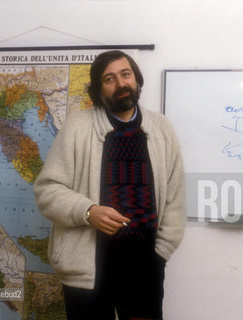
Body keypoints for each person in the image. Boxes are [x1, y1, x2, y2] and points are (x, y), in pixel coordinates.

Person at [33, 50, 185, 320]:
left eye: (126, 74)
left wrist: (160, 254)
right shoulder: (76, 127)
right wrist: (88, 211)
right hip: (88, 268)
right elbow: (47, 190)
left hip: (145, 266)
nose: (121, 84)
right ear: (98, 88)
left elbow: (175, 197)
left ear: (136, 79)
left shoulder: (162, 129)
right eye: (109, 79)